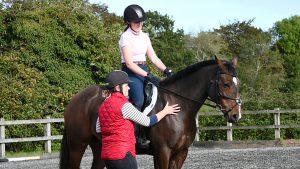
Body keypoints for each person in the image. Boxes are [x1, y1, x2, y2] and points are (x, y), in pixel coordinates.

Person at [99, 70, 180, 169]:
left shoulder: (103, 105)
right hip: (123, 155)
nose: (129, 88)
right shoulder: (124, 106)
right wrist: (165, 111)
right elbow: (147, 121)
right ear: (117, 87)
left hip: (107, 156)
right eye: (126, 85)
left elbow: (99, 128)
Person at [120, 4, 173, 147]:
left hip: (144, 68)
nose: (139, 24)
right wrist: (148, 75)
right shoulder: (125, 37)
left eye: (141, 21)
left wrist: (166, 70)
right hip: (130, 72)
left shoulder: (145, 36)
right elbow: (130, 63)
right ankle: (136, 135)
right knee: (139, 100)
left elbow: (154, 58)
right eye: (136, 22)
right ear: (128, 22)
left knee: (158, 96)